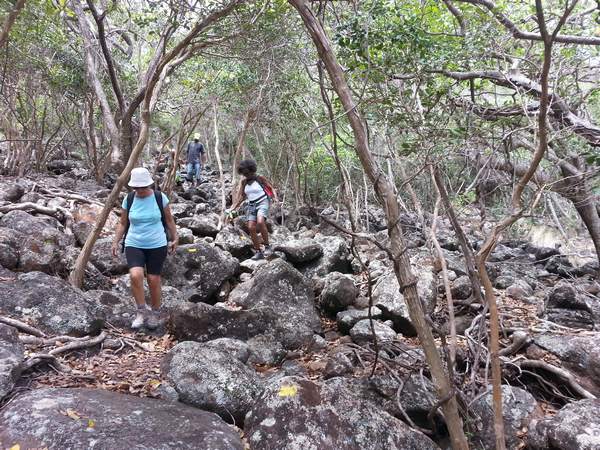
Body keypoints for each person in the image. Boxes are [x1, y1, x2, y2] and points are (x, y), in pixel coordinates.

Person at [111, 167, 178, 330]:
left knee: (153, 279)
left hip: (157, 243)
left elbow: (169, 220)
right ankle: (141, 311)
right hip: (134, 242)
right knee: (135, 275)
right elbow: (122, 223)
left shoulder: (159, 197)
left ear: (149, 185)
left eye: (143, 187)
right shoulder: (129, 199)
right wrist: (115, 241)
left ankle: (155, 312)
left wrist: (176, 237)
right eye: (137, 187)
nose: (140, 190)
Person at [229, 159, 278, 260]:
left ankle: (268, 246)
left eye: (247, 173)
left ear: (252, 170)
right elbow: (243, 196)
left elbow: (271, 187)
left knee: (260, 222)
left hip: (263, 202)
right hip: (251, 205)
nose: (246, 175)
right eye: (244, 174)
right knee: (251, 227)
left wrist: (275, 198)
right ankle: (258, 251)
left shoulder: (260, 178)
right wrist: (234, 206)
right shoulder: (244, 182)